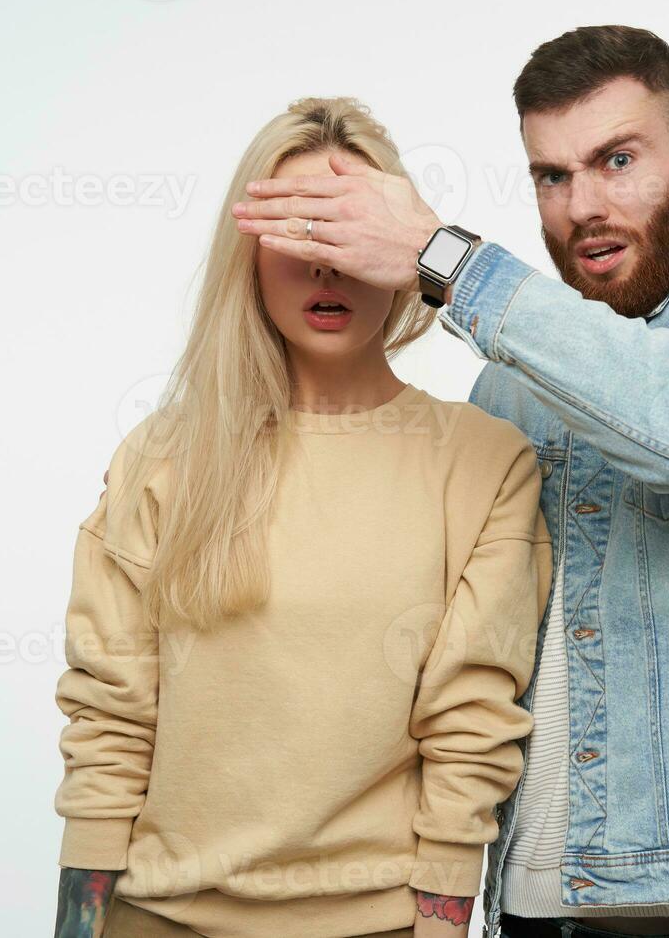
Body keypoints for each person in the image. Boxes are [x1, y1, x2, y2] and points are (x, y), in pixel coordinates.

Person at [233, 26, 669, 938]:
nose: (582, 204)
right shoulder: (514, 379)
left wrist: (446, 258)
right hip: (533, 908)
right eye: (552, 176)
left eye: (617, 160)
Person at [50, 96, 553, 938]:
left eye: (347, 230)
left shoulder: (480, 462)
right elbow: (111, 713)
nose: (326, 266)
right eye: (297, 233)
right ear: (245, 256)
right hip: (156, 916)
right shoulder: (165, 453)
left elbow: (470, 732)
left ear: (399, 251)